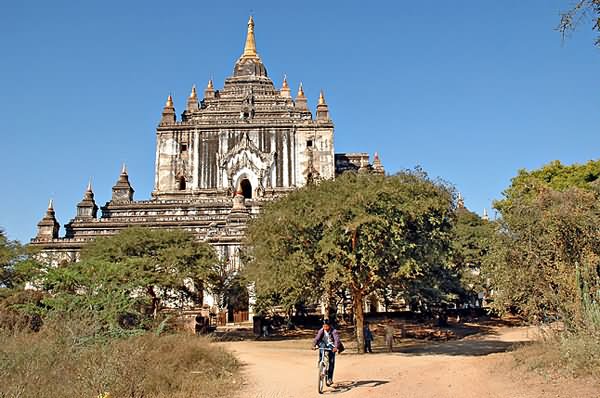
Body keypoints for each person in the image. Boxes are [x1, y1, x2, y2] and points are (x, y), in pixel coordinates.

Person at [313, 319, 342, 386]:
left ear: (329, 326)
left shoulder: (334, 331)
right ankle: (321, 362)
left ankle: (329, 378)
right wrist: (314, 345)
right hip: (323, 343)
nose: (325, 327)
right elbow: (317, 338)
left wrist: (336, 347)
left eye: (326, 326)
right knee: (321, 347)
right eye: (324, 326)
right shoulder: (321, 330)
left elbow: (337, 340)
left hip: (331, 345)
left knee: (331, 362)